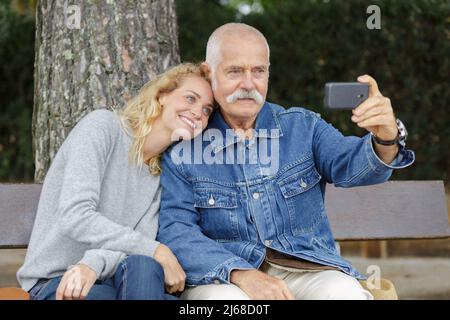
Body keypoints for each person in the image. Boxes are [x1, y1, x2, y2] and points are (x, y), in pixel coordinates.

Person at [157, 23, 415, 300]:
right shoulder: (185, 147)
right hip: (222, 277)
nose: (248, 84)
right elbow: (176, 230)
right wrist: (240, 274)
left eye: (258, 71)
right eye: (235, 71)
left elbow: (355, 167)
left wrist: (387, 138)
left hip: (306, 269)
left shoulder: (303, 127)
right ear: (209, 73)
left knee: (343, 293)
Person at [17, 63, 215, 300]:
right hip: (58, 281)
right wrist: (157, 251)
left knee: (145, 265)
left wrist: (95, 263)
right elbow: (75, 215)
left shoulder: (164, 174)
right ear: (162, 95)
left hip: (113, 277)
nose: (197, 113)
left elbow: (139, 247)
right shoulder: (103, 127)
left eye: (206, 110)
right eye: (190, 98)